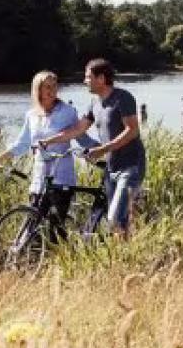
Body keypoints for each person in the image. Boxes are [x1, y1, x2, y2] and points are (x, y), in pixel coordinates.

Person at [38, 58, 146, 235]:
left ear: (101, 78)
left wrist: (102, 150)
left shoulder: (123, 98)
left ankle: (127, 254)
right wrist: (49, 141)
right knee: (120, 222)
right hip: (111, 168)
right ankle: (123, 256)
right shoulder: (94, 104)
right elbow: (77, 129)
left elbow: (132, 130)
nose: (84, 81)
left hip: (131, 166)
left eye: (88, 77)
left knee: (115, 219)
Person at [0, 70, 83, 226]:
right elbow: (21, 145)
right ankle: (32, 250)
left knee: (55, 227)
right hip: (39, 177)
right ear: (38, 90)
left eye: (54, 86)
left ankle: (60, 250)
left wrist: (104, 150)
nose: (52, 91)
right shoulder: (32, 115)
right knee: (32, 224)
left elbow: (81, 136)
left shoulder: (68, 112)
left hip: (62, 177)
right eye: (47, 87)